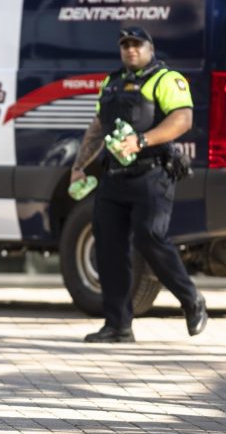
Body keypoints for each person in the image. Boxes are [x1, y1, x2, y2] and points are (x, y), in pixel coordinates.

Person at [71, 26, 208, 343]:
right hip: (114, 175)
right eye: (125, 45)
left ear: (150, 47)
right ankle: (118, 326)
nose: (131, 50)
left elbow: (183, 119)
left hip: (152, 173)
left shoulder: (165, 79)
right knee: (108, 247)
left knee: (150, 236)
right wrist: (79, 166)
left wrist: (142, 140)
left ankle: (192, 300)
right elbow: (96, 127)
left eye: (137, 44)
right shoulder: (111, 82)